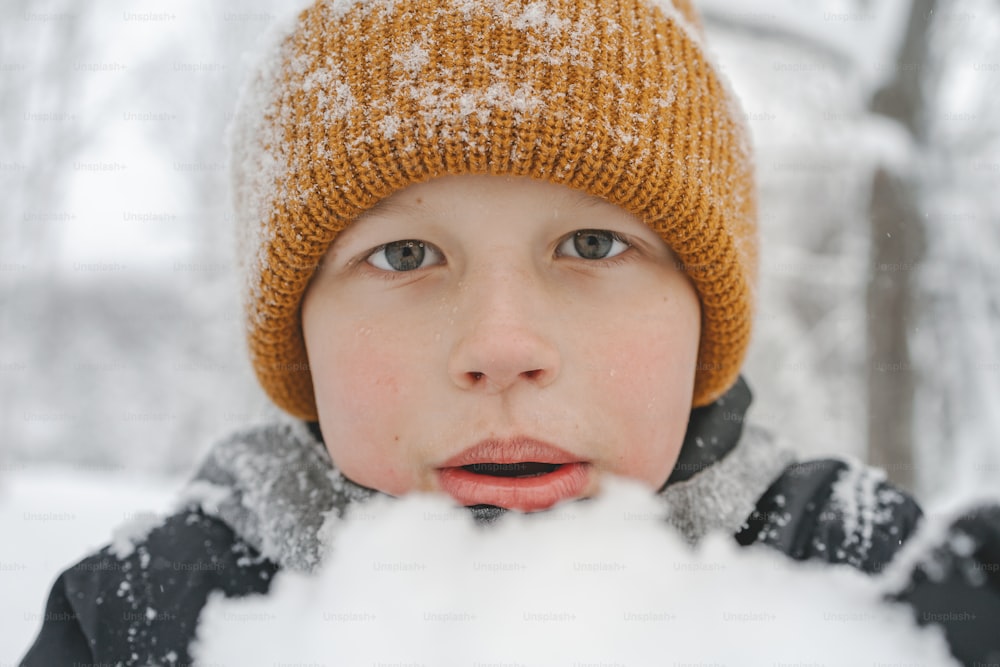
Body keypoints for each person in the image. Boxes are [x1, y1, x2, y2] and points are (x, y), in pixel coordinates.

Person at [20, 0, 1000, 664]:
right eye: (403, 256)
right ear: (297, 336)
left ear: (705, 314)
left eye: (590, 242)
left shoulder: (860, 568)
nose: (499, 344)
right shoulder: (150, 617)